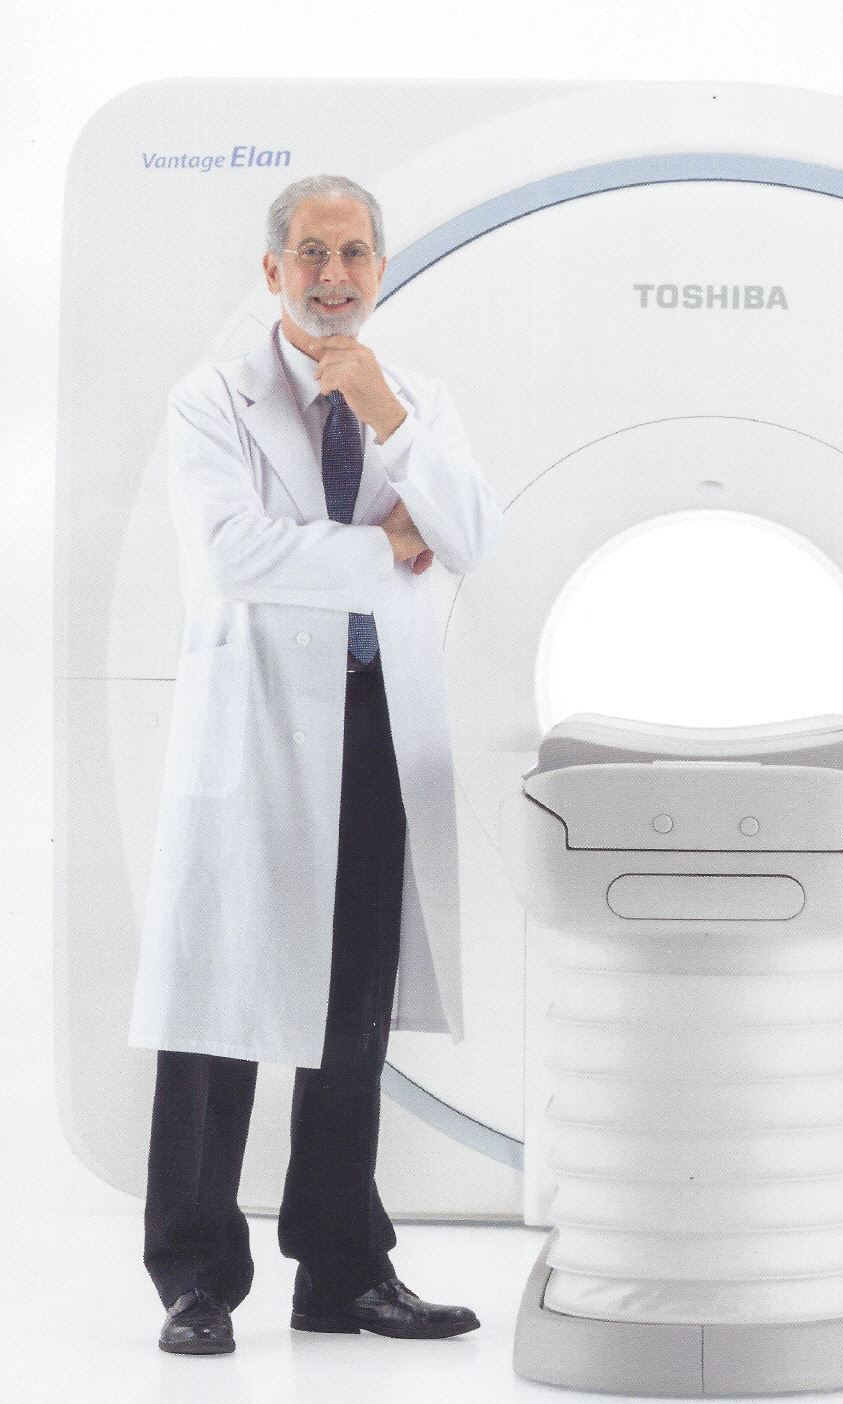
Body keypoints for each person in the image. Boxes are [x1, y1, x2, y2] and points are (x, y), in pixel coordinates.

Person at [128, 174, 504, 1355]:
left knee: (351, 1005)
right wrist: (388, 547)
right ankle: (194, 1276)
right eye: (309, 252)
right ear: (273, 271)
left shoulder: (416, 401)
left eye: (351, 253)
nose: (331, 275)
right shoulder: (212, 399)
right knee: (219, 1005)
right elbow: (232, 556)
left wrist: (389, 419)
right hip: (254, 729)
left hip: (374, 719)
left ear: (377, 269)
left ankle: (341, 1269)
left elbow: (472, 535)